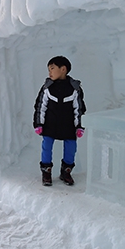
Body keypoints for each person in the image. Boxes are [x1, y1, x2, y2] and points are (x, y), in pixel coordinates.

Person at [33, 56, 86, 186]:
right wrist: (39, 123)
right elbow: (40, 106)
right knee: (46, 146)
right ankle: (46, 172)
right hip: (50, 124)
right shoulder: (47, 88)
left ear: (63, 69)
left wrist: (79, 126)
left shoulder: (74, 89)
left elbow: (78, 109)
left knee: (71, 148)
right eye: (48, 69)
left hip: (68, 126)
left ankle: (66, 171)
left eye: (52, 69)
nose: (49, 73)